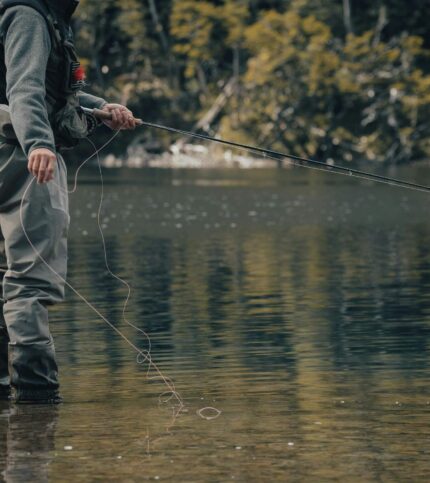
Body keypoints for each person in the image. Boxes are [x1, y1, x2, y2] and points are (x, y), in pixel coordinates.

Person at [0, 0, 136, 403]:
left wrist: (99, 108)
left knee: (4, 275)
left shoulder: (26, 12)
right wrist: (39, 143)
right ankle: (39, 401)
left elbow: (48, 85)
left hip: (9, 147)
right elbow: (23, 86)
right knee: (30, 281)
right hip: (22, 155)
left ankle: (10, 405)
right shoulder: (29, 15)